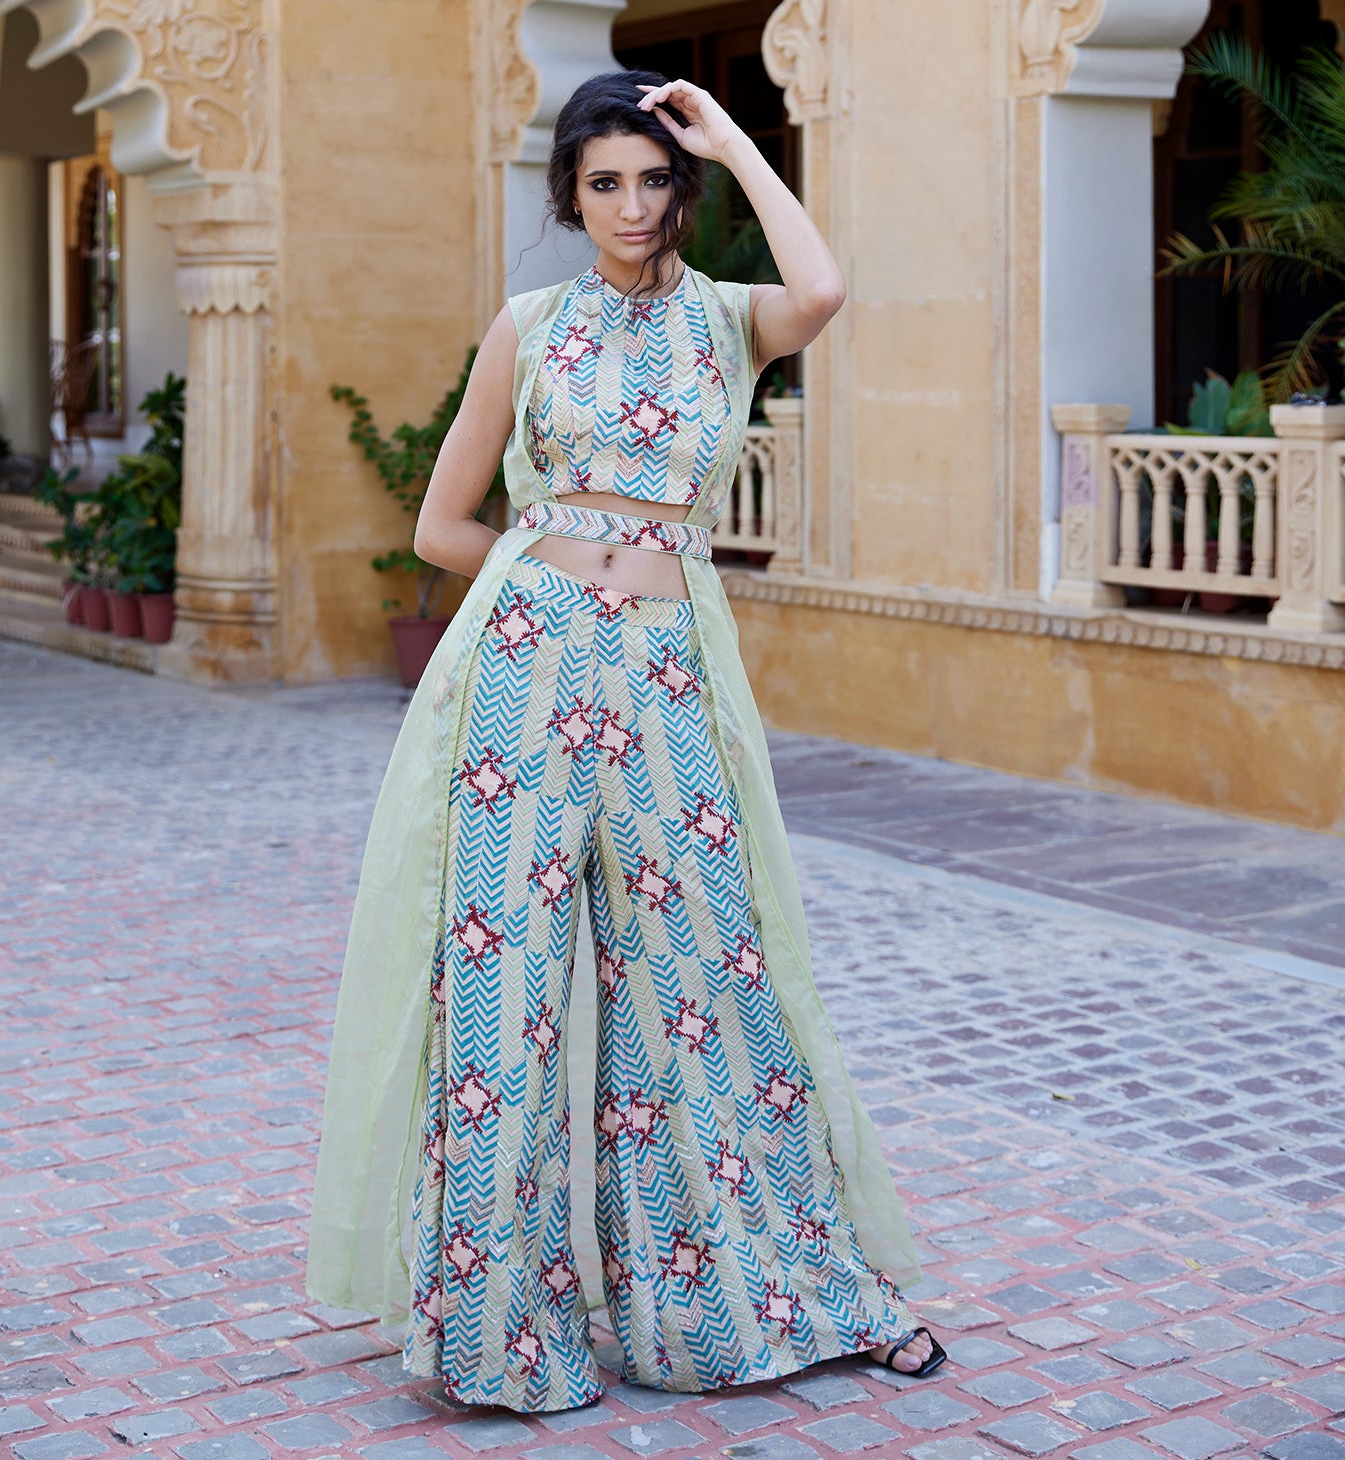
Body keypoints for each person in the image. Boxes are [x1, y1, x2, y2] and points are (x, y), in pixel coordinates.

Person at [306, 71, 944, 1412]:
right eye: (606, 183)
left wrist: (733, 140)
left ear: (684, 187)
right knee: (504, 991)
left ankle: (748, 1302)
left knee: (712, 978)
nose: (634, 206)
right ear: (570, 195)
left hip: (662, 678)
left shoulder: (728, 321)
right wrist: (555, 574)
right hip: (526, 675)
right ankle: (495, 1336)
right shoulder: (529, 328)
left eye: (655, 179)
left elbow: (822, 290)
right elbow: (441, 527)